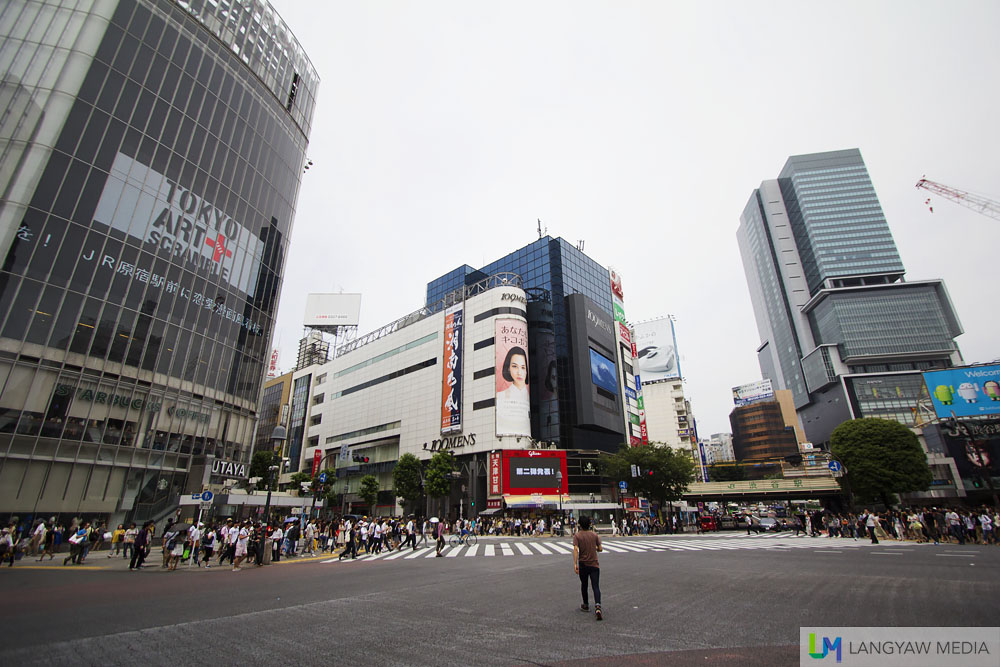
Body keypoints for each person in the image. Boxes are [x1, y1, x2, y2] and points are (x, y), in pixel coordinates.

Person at [573, 515, 604, 621]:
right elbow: (600, 549)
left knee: (584, 585)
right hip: (594, 564)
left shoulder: (577, 536)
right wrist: (594, 547)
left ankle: (586, 604)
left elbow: (576, 549)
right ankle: (598, 606)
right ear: (590, 524)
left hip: (583, 564)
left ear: (580, 525)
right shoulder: (594, 535)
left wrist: (575, 564)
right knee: (596, 586)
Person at [496, 346, 530, 435]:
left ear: (527, 370)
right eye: (515, 366)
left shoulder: (530, 399)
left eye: (523, 367)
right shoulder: (500, 396)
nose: (519, 372)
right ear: (508, 368)